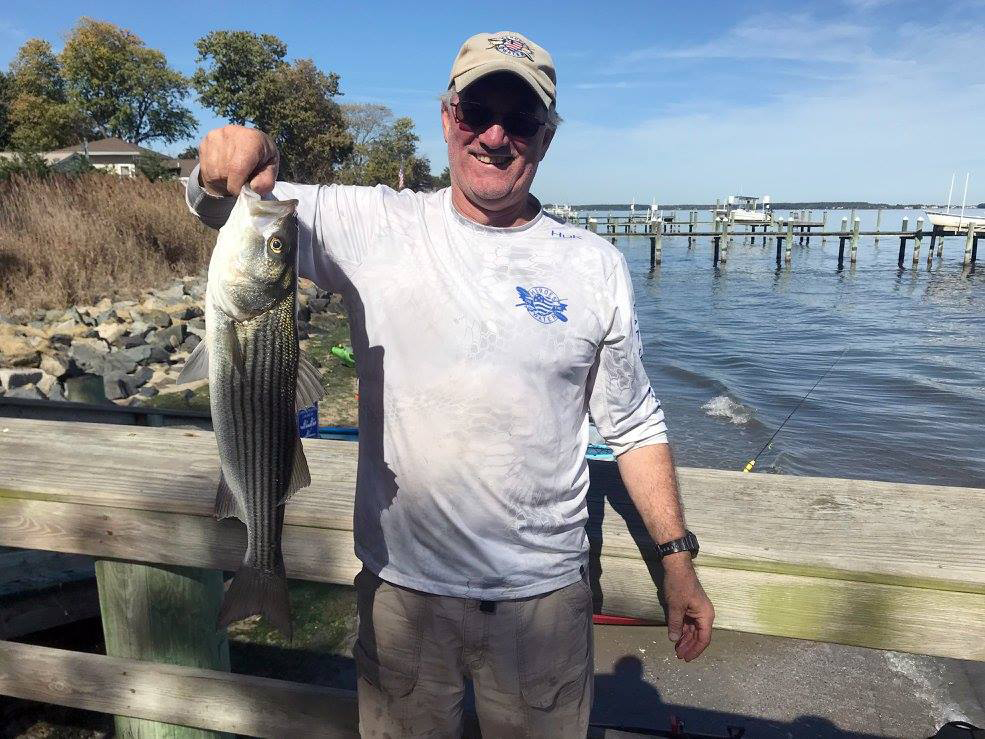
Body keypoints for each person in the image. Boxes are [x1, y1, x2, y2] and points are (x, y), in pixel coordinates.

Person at [187, 29, 714, 739]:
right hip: (401, 596)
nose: (495, 135)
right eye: (476, 113)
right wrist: (226, 161)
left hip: (543, 602)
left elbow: (634, 422)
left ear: (547, 135)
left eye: (519, 118)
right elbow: (231, 207)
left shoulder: (595, 264)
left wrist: (675, 558)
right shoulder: (375, 222)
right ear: (446, 118)